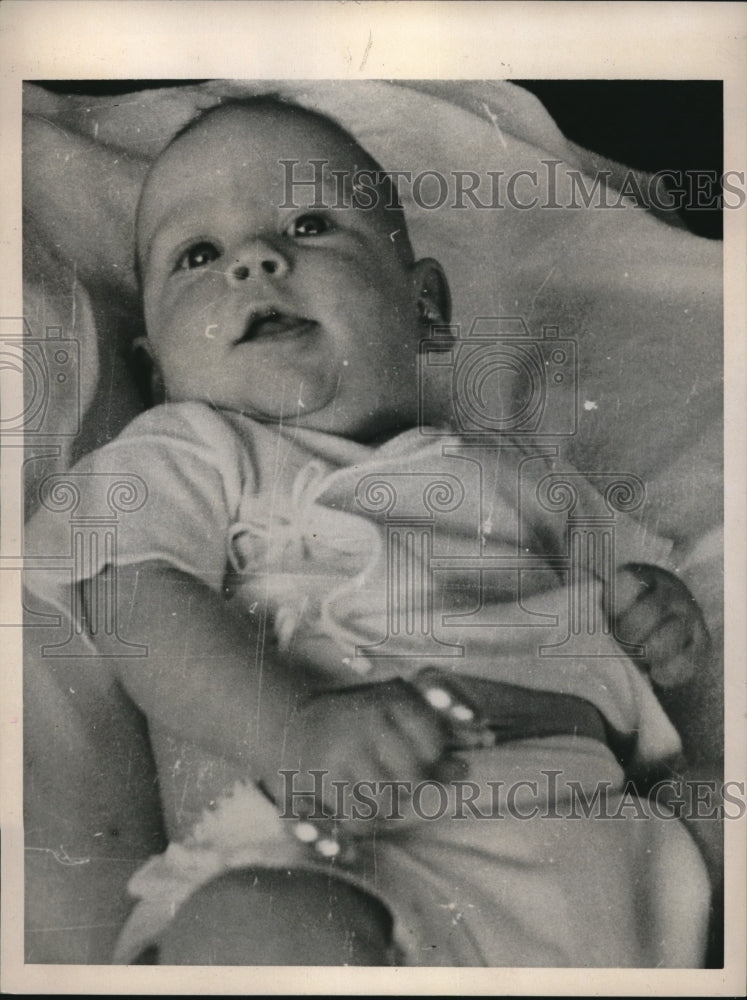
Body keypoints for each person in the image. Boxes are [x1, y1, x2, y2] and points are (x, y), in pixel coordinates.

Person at [24, 96, 710, 967]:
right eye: (198, 255)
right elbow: (130, 600)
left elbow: (638, 597)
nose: (256, 262)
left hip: (609, 846)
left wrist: (660, 619)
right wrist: (293, 727)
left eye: (309, 224)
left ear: (423, 306)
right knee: (249, 926)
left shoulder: (526, 476)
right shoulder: (193, 449)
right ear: (156, 371)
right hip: (351, 850)